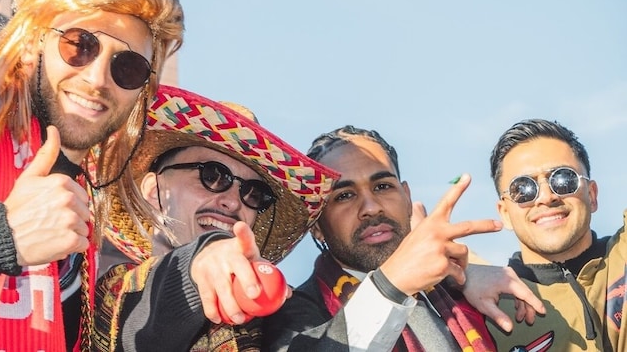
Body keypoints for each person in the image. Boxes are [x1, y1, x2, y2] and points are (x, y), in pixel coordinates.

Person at [0, 0, 183, 350]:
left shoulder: (86, 202)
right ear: (31, 44)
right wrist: (5, 238)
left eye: (128, 67)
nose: (97, 79)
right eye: (79, 46)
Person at [92, 85, 339, 351]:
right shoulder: (98, 300)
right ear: (154, 191)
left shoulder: (287, 310)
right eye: (212, 175)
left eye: (253, 193)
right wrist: (197, 261)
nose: (233, 201)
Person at [263, 125, 545, 351]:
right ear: (317, 225)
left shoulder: (464, 294)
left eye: (383, 186)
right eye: (345, 195)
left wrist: (462, 275)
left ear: (407, 198)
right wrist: (392, 286)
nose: (371, 208)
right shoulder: (292, 314)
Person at [485, 118, 626, 351]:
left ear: (592, 195)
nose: (546, 197)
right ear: (505, 213)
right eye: (523, 188)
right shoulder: (485, 310)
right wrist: (459, 278)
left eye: (563, 179)